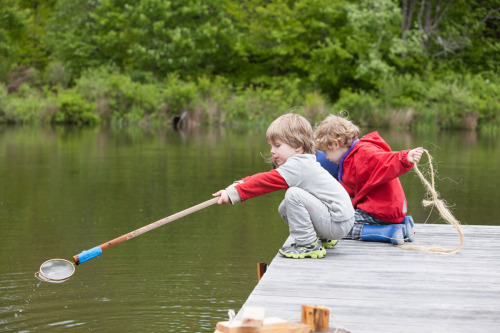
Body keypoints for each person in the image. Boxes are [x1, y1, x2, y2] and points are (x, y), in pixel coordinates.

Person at [213, 113, 355, 259]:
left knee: (293, 195)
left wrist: (234, 193)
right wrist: (240, 184)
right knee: (285, 207)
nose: (272, 151)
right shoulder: (302, 162)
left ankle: (308, 245)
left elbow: (265, 182)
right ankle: (321, 237)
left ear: (298, 145)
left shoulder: (299, 166)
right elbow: (268, 176)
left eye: (277, 145)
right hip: (338, 221)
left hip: (337, 222)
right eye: (271, 146)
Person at [314, 114, 424, 245]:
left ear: (336, 144)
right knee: (342, 218)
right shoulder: (350, 158)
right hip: (390, 211)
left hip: (381, 210)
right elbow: (349, 187)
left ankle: (390, 233)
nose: (326, 158)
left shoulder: (364, 153)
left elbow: (385, 161)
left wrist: (405, 157)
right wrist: (326, 193)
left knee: (339, 228)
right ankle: (405, 224)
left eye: (326, 152)